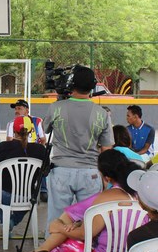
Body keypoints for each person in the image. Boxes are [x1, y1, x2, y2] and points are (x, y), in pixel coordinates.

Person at [10, 151, 136, 252]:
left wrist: (61, 229)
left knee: (60, 249)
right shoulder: (138, 195)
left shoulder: (105, 199)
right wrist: (76, 224)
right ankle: (41, 251)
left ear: (106, 177)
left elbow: (85, 234)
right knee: (72, 226)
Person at [41, 65, 114, 233]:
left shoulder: (56, 108)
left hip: (61, 171)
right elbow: (107, 149)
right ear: (92, 86)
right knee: (87, 220)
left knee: (57, 218)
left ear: (71, 84)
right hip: (90, 172)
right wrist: (105, 177)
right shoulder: (102, 113)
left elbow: (45, 129)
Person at [0, 116, 48, 232]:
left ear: (14, 131)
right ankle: (11, 222)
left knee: (2, 197)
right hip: (27, 196)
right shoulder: (41, 149)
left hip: (2, 194)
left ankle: (6, 225)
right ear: (31, 130)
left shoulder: (2, 147)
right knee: (32, 199)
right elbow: (45, 173)